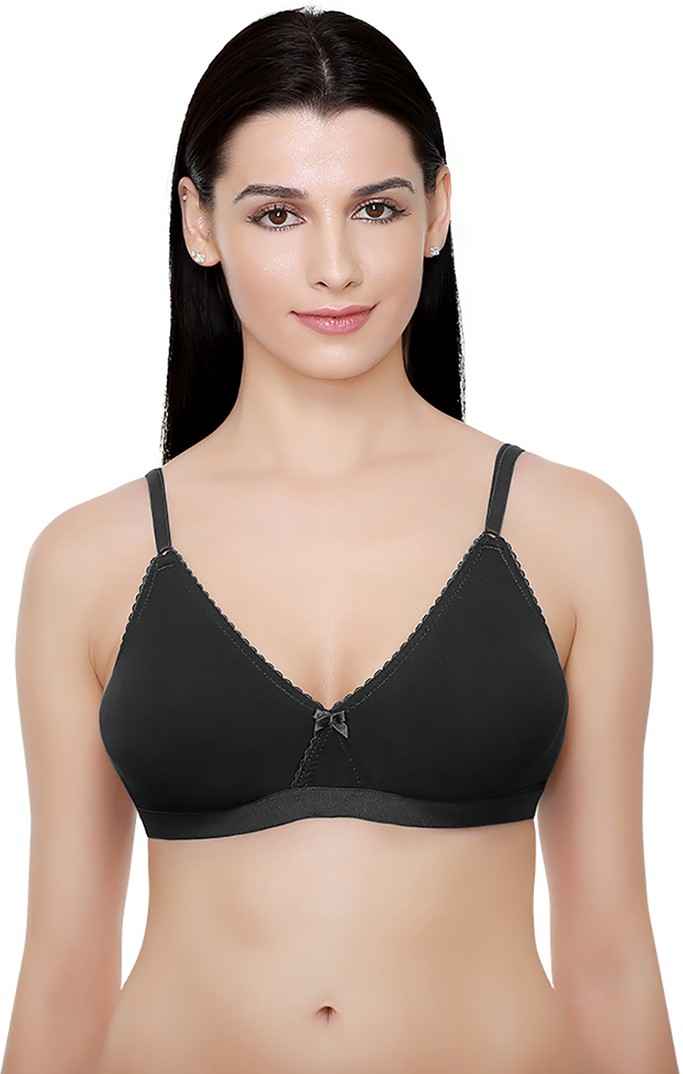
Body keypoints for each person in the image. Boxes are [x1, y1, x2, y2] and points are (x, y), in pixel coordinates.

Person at [3, 8, 678, 1074]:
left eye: (374, 207)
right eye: (277, 214)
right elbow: (62, 974)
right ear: (198, 223)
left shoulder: (568, 531)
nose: (334, 267)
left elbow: (609, 958)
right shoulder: (88, 559)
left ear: (437, 210)